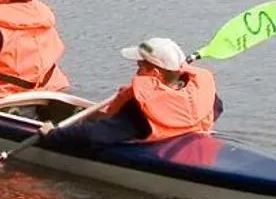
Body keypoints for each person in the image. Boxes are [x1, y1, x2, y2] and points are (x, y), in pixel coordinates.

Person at [58, 37, 222, 148]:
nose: (137, 69)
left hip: (157, 155)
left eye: (140, 66)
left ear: (156, 74)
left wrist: (53, 134)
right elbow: (218, 109)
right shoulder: (205, 95)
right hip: (191, 146)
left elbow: (94, 136)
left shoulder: (140, 108)